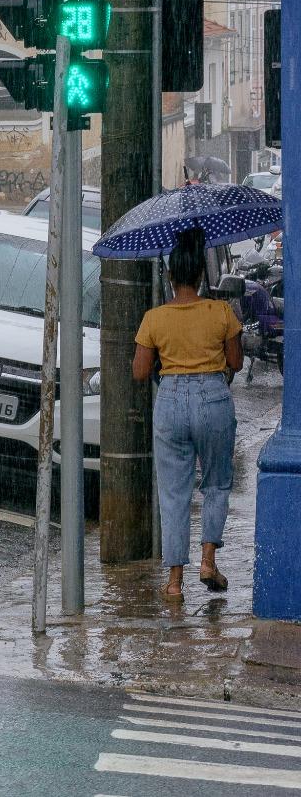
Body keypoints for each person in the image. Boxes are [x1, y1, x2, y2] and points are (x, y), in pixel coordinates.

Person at [132, 227, 244, 603]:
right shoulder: (221, 312)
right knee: (216, 483)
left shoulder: (154, 318)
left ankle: (175, 583)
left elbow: (140, 372)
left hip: (171, 400)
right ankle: (208, 562)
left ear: (170, 275)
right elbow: (236, 362)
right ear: (199, 275)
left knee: (175, 492)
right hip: (213, 397)